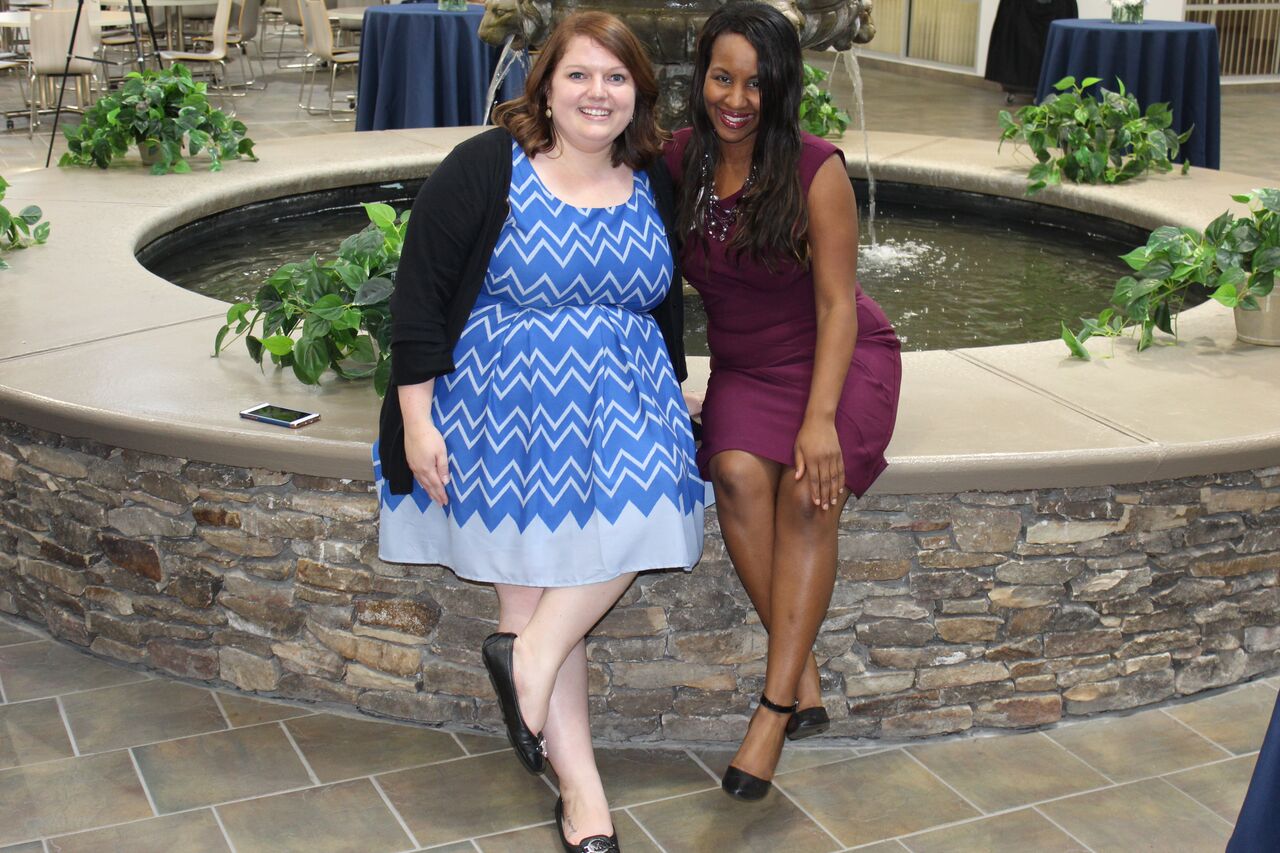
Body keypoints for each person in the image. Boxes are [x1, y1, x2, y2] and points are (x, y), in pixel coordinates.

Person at [374, 12, 704, 851]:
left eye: (617, 78)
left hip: (627, 401)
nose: (599, 93)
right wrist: (416, 421)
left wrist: (675, 385)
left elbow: (663, 304)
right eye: (580, 76)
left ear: (639, 94)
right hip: (505, 402)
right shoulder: (486, 167)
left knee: (652, 510)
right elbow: (418, 297)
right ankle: (583, 793)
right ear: (546, 88)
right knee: (533, 595)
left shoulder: (653, 178)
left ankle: (524, 662)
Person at [665, 2, 901, 801]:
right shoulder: (682, 162)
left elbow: (838, 305)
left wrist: (819, 421)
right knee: (732, 470)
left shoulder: (814, 169)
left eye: (756, 83)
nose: (736, 98)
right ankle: (802, 667)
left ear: (781, 87)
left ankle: (772, 707)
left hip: (835, 356)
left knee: (808, 490)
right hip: (746, 366)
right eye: (722, 77)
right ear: (700, 78)